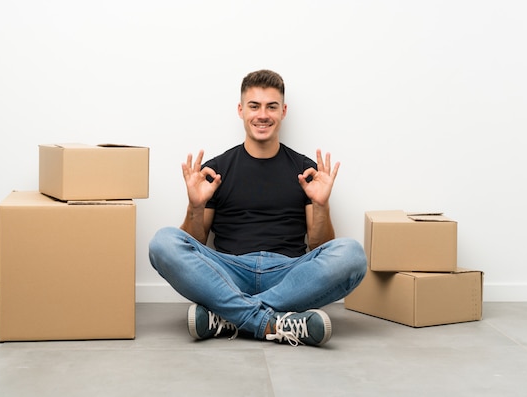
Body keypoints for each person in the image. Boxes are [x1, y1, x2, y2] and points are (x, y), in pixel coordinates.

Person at [149, 69, 367, 347]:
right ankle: (271, 323)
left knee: (352, 254)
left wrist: (320, 204)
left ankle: (230, 316)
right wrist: (195, 205)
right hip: (229, 272)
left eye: (271, 107)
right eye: (254, 106)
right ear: (241, 110)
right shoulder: (215, 170)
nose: (262, 115)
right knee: (163, 242)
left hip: (289, 273)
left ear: (283, 111)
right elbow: (196, 242)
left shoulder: (305, 170)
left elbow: (320, 246)